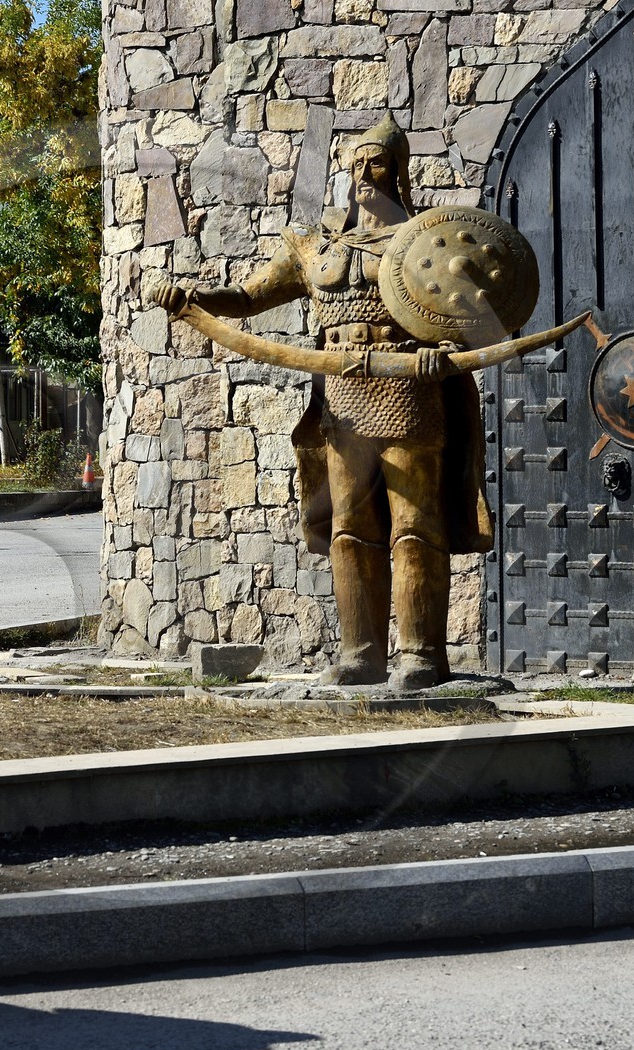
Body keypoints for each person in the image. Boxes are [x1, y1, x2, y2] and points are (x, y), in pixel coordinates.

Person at [153, 115, 492, 690]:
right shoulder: (316, 244)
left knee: (415, 526)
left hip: (410, 395)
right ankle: (361, 654)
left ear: (398, 170)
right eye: (357, 163)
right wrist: (193, 297)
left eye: (376, 162)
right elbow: (248, 297)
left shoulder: (430, 242)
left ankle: (421, 656)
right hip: (342, 401)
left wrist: (444, 350)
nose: (365, 173)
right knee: (350, 527)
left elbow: (475, 318)